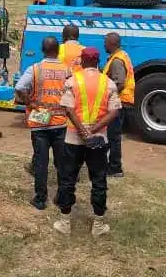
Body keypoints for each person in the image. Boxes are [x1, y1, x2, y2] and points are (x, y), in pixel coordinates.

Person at [54, 47, 122, 237]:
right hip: (99, 139)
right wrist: (93, 130)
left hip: (73, 137)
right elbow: (114, 111)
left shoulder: (72, 81)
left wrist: (83, 130)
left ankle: (65, 222)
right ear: (98, 61)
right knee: (99, 180)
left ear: (82, 62)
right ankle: (98, 224)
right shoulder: (108, 83)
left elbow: (68, 109)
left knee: (68, 179)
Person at [15, 36, 69, 210]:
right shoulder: (67, 70)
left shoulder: (35, 69)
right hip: (60, 122)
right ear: (58, 50)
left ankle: (40, 199)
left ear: (43, 50)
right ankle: (61, 198)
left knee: (41, 162)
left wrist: (29, 102)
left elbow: (19, 87)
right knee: (61, 163)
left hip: (40, 121)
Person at [102, 32, 135, 177]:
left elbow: (119, 83)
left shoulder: (117, 61)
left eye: (105, 42)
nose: (104, 45)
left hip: (118, 102)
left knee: (113, 136)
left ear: (111, 44)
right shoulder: (121, 55)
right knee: (112, 135)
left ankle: (115, 167)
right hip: (120, 101)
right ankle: (111, 164)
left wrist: (105, 94)